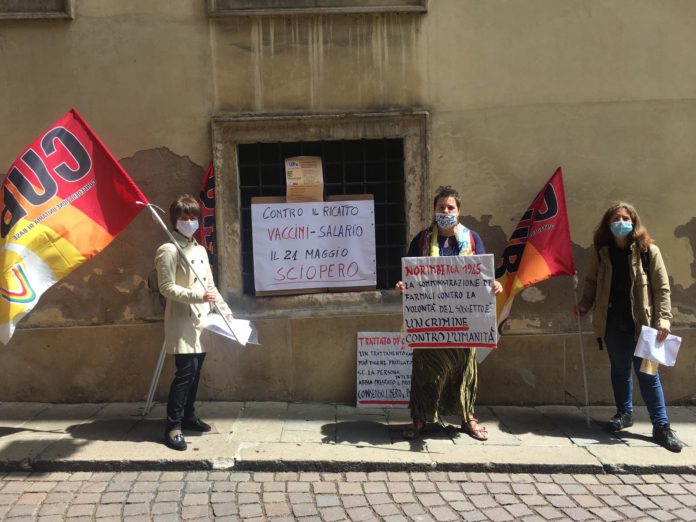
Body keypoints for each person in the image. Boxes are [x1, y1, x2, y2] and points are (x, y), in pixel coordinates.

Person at [395, 186, 502, 441]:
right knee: (425, 370)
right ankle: (419, 418)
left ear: (459, 211)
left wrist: (494, 286)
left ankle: (468, 418)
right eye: (441, 207)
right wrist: (403, 286)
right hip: (430, 319)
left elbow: (484, 275)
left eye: (450, 207)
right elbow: (411, 275)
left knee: (464, 370)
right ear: (434, 210)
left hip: (464, 321)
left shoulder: (472, 239)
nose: (445, 211)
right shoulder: (421, 240)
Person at [574, 201, 682, 452]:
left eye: (624, 218)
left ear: (633, 221)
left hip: (642, 324)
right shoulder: (602, 251)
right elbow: (592, 281)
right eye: (615, 219)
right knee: (620, 370)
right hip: (613, 322)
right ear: (607, 224)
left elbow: (661, 288)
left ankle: (662, 426)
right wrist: (584, 305)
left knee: (648, 373)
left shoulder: (648, 250)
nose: (620, 223)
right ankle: (625, 413)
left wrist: (663, 320)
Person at [156, 194, 233, 451]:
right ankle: (173, 426)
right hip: (181, 321)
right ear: (175, 220)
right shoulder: (168, 250)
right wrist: (197, 296)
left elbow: (210, 286)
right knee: (184, 374)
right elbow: (166, 287)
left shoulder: (199, 249)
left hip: (202, 321)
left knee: (196, 373)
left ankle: (188, 416)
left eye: (193, 218)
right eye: (184, 218)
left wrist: (225, 311)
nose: (189, 222)